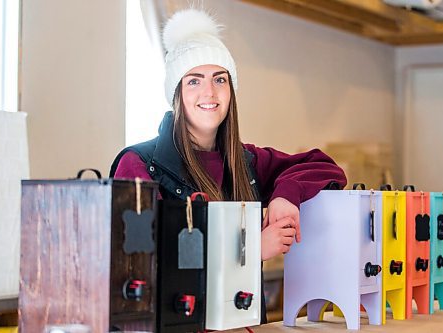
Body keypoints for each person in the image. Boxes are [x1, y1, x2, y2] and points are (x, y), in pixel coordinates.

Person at [110, 8, 347, 323]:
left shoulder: (246, 161)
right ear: (176, 93)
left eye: (219, 79)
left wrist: (285, 195)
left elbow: (324, 166)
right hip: (176, 327)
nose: (209, 92)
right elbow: (143, 265)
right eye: (194, 80)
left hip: (244, 324)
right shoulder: (139, 164)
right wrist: (249, 250)